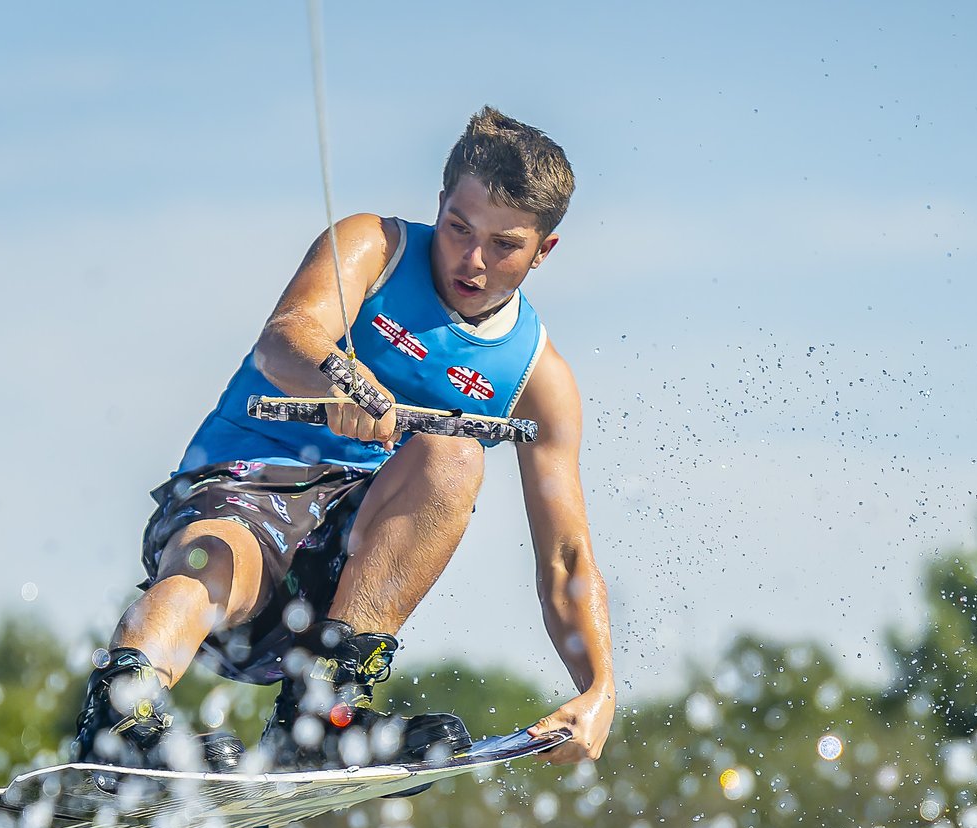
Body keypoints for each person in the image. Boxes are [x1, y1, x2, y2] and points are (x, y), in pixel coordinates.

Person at [69, 107, 615, 776]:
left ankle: (321, 713)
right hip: (243, 496)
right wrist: (342, 380)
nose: (472, 261)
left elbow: (565, 556)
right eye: (458, 228)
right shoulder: (375, 247)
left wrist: (599, 688)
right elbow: (286, 336)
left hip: (341, 572)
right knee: (215, 559)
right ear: (439, 204)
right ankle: (119, 718)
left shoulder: (539, 378)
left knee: (455, 454)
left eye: (503, 245)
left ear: (544, 250)